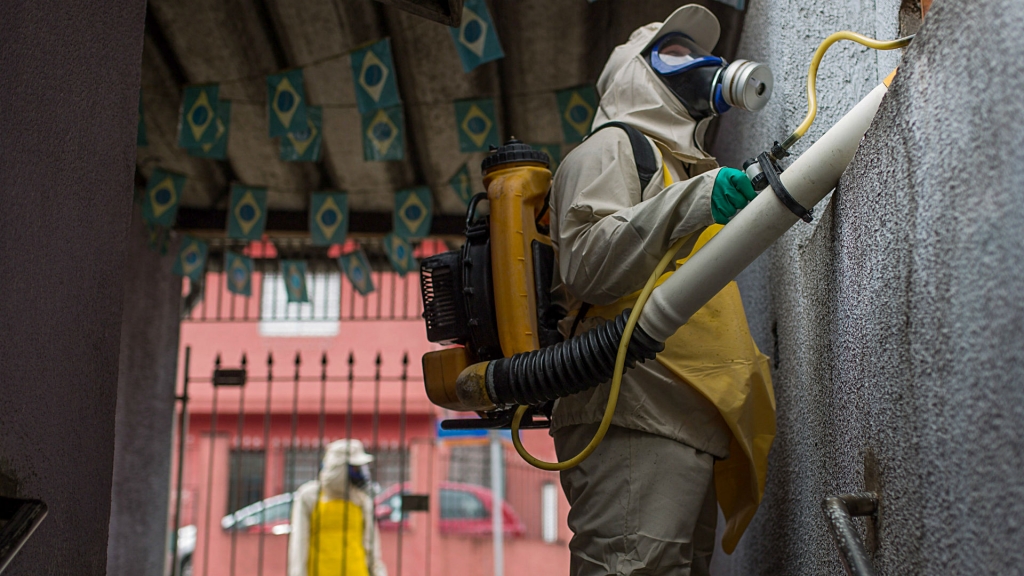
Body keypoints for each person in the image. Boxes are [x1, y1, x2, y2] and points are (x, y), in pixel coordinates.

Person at [548, 5, 776, 575]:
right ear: (634, 74)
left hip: (680, 418)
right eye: (673, 52)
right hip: (632, 413)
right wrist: (696, 199)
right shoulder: (611, 148)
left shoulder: (679, 168)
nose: (704, 63)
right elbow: (588, 263)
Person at [288, 439, 387, 576]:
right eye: (355, 468)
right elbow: (299, 543)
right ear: (339, 468)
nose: (361, 473)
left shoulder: (361, 500)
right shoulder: (309, 496)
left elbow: (371, 546)